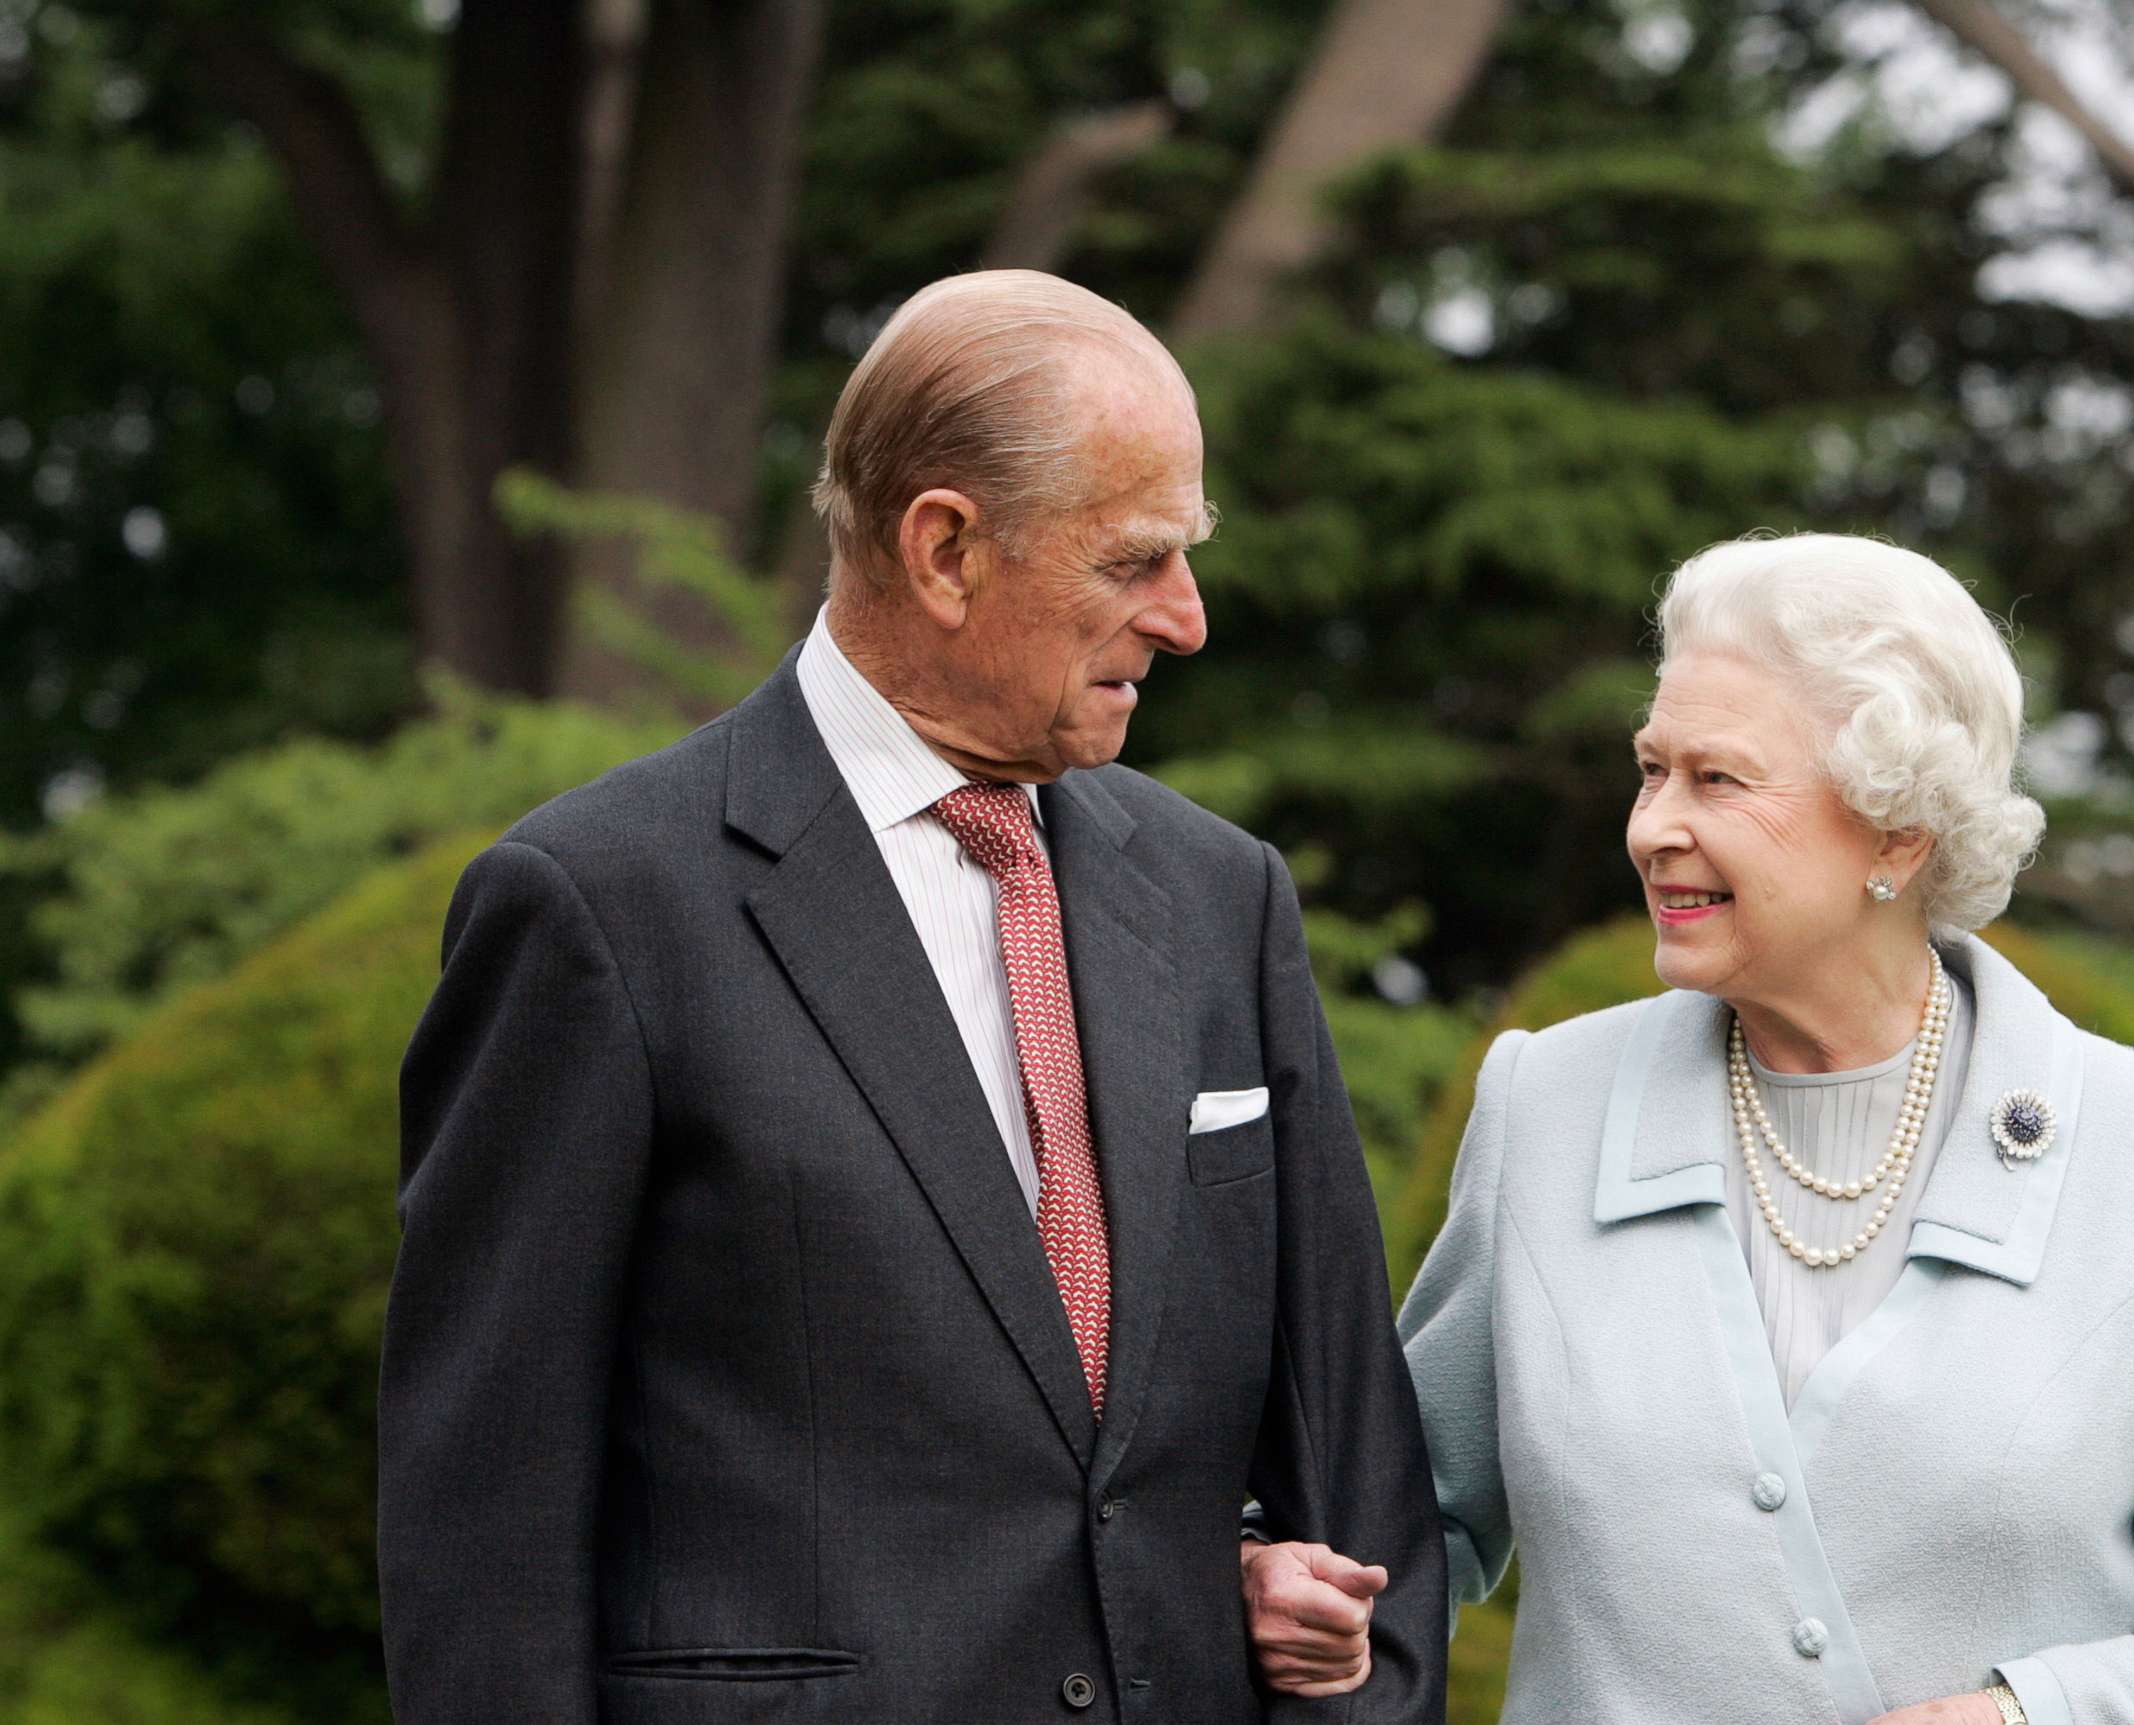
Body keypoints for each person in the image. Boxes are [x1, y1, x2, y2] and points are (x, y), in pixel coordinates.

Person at [380, 270, 1445, 1723]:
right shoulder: (595, 908)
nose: (1186, 620)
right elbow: (482, 1532)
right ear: (945, 549)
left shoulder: (1222, 899)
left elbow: (1357, 1464)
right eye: (1135, 561)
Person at [1254, 533, 2134, 1724]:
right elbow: (1393, 1522)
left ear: (1898, 832)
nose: (1652, 828)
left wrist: (2033, 1715)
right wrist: (1293, 1585)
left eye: (1720, 780)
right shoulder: (1545, 1105)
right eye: (1652, 770)